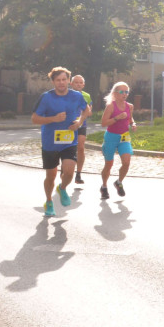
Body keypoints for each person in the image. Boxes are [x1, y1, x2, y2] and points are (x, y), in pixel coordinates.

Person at [31, 67, 87, 217]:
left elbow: (87, 110)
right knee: (51, 176)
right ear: (53, 81)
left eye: (64, 79)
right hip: (50, 143)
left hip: (69, 141)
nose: (61, 83)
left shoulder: (76, 96)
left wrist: (80, 122)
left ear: (69, 80)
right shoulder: (46, 97)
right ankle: (49, 201)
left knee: (69, 171)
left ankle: (62, 188)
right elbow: (35, 119)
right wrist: (53, 119)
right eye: (58, 80)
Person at [100, 82, 136, 200]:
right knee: (108, 164)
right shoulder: (111, 106)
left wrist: (133, 124)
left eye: (126, 92)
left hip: (124, 138)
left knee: (126, 162)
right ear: (115, 94)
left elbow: (130, 119)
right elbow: (103, 123)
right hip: (111, 137)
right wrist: (116, 118)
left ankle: (119, 182)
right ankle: (104, 186)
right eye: (122, 92)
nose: (124, 94)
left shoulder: (129, 106)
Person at [69, 75, 93, 183]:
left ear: (83, 85)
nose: (78, 84)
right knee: (68, 148)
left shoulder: (86, 96)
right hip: (68, 125)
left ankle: (78, 174)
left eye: (80, 83)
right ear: (71, 84)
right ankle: (65, 169)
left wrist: (85, 114)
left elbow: (89, 111)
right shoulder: (67, 94)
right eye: (76, 82)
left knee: (81, 147)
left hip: (81, 124)